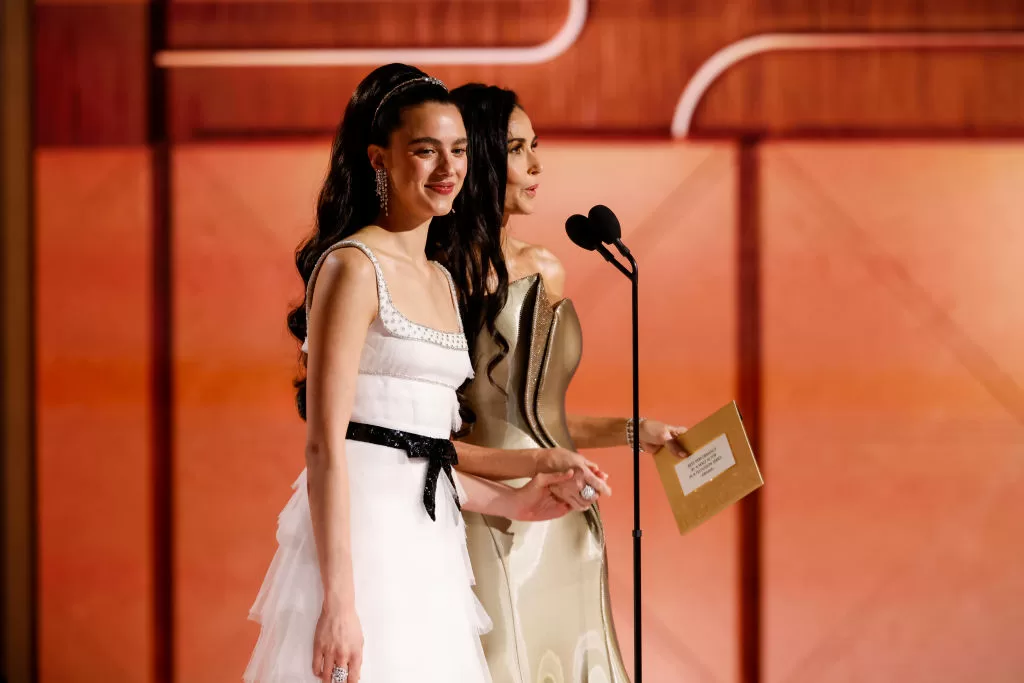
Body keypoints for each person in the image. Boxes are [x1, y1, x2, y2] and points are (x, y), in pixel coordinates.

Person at [243, 65, 583, 683]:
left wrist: (522, 502)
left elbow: (429, 456)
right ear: (380, 159)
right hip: (363, 542)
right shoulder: (352, 265)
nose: (447, 169)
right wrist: (339, 604)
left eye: (457, 151)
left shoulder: (439, 279)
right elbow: (326, 446)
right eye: (425, 151)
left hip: (433, 547)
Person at [436, 83, 688, 683]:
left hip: (565, 509)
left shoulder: (548, 266)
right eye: (518, 148)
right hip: (486, 508)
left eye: (536, 145)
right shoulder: (436, 273)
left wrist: (637, 431)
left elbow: (540, 418)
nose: (536, 165)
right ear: (485, 158)